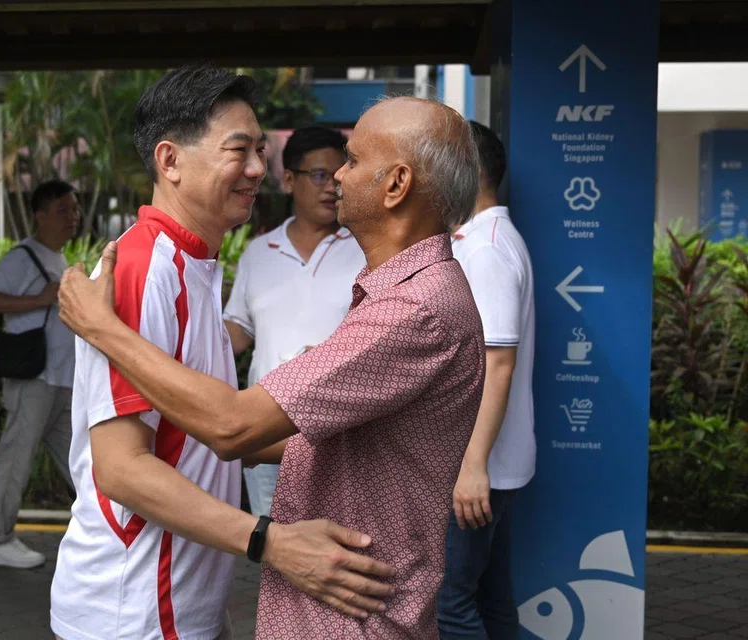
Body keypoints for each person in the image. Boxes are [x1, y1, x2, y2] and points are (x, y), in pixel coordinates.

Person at [58, 95, 486, 639]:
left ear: (396, 185)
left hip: (349, 616)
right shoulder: (153, 265)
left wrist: (100, 328)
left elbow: (232, 426)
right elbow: (131, 462)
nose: (335, 179)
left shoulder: (413, 308)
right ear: (170, 162)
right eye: (242, 150)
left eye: (350, 163)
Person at [224, 125, 366, 517]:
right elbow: (238, 330)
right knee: (273, 549)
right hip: (264, 427)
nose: (331, 187)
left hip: (335, 434)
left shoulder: (366, 251)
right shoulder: (257, 252)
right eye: (319, 175)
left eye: (339, 176)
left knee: (332, 549)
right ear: (288, 180)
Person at [438, 121, 536, 640]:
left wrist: (471, 465)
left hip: (479, 469)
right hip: (490, 465)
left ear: (469, 171)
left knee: (450, 606)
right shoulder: (481, 240)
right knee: (490, 596)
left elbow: (498, 363)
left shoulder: (486, 249)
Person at [0, 179, 79, 569]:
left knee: (82, 463)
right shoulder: (23, 257)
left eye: (75, 209)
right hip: (33, 380)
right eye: (63, 210)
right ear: (40, 215)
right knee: (16, 457)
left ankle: (110, 532)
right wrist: (37, 298)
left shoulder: (60, 259)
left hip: (61, 382)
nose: (73, 217)